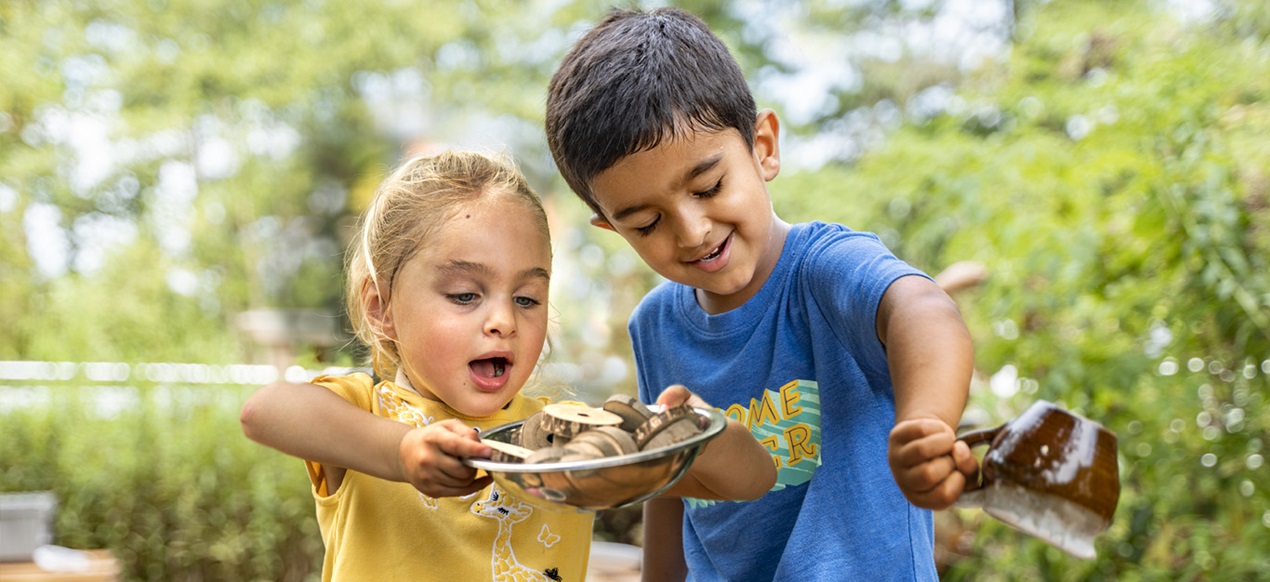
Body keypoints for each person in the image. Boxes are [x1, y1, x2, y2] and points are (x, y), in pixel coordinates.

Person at [545, 8, 977, 581]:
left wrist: (928, 424)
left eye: (709, 187)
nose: (692, 230)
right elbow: (668, 479)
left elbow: (923, 312)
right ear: (612, 228)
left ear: (764, 147)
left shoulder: (824, 269)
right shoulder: (654, 325)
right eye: (647, 223)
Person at [239, 150, 776, 581]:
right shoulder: (370, 414)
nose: (503, 321)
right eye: (465, 295)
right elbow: (265, 411)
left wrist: (700, 434)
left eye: (526, 299)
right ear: (381, 309)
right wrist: (400, 452)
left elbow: (751, 481)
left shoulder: (563, 441)